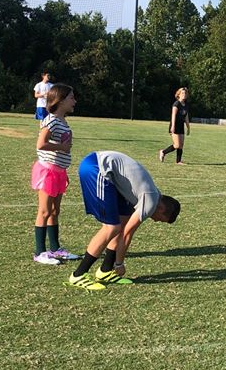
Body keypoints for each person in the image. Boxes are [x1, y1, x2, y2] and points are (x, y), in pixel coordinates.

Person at [68, 150, 181, 290]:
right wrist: (119, 264)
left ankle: (105, 271)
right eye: (161, 220)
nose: (156, 221)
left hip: (106, 170)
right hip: (96, 167)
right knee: (112, 227)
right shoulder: (150, 201)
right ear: (162, 210)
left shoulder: (152, 195)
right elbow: (127, 234)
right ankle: (78, 275)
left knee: (122, 222)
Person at [31, 83, 81, 265]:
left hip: (59, 172)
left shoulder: (62, 121)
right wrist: (61, 147)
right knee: (44, 211)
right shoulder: (51, 120)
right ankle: (39, 252)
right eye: (71, 98)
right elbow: (40, 144)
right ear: (60, 100)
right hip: (48, 171)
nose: (74, 101)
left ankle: (55, 249)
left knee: (54, 211)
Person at [159, 87, 190, 164]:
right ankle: (163, 152)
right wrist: (172, 126)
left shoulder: (185, 105)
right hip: (175, 126)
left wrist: (188, 127)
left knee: (181, 145)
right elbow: (173, 115)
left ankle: (178, 161)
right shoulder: (176, 104)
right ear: (178, 94)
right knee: (177, 145)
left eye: (185, 93)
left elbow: (186, 116)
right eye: (182, 93)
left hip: (181, 126)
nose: (184, 94)